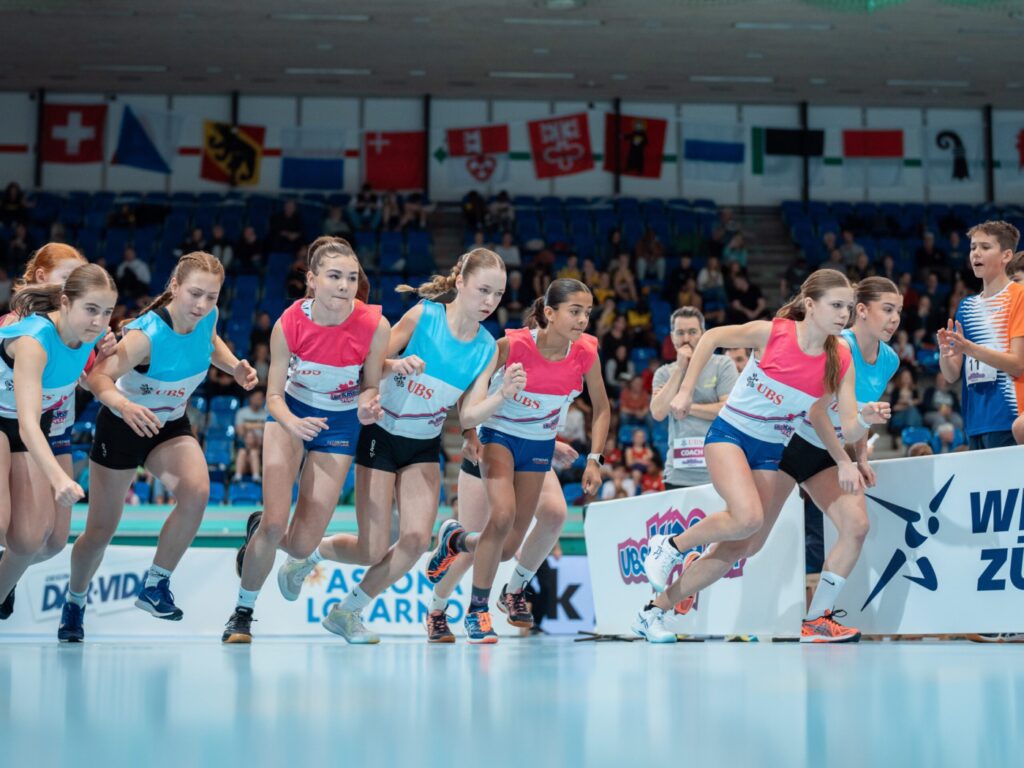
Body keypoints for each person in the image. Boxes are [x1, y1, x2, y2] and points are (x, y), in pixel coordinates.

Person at [269, 249, 515, 645]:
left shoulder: (487, 347)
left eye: (498, 294)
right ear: (460, 283)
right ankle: (309, 555)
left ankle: (348, 612)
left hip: (423, 444)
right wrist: (393, 368)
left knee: (418, 540)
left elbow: (468, 411)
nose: (489, 302)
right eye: (483, 290)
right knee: (371, 548)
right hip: (378, 434)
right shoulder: (424, 316)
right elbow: (369, 359)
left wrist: (494, 406)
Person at [634, 270, 867, 643]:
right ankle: (671, 545)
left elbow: (839, 421)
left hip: (770, 448)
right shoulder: (772, 332)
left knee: (746, 544)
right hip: (730, 434)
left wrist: (855, 440)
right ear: (810, 305)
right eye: (836, 305)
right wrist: (686, 391)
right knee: (748, 517)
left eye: (849, 308)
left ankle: (654, 611)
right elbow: (711, 337)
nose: (844, 314)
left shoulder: (839, 357)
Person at [61, 252, 258, 643]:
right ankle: (74, 599)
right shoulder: (145, 336)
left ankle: (155, 585)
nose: (202, 305)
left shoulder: (208, 318)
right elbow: (97, 379)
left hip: (168, 426)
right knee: (100, 531)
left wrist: (233, 366)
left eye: (211, 297)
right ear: (174, 287)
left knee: (197, 492)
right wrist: (123, 405)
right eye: (195, 294)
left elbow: (211, 342)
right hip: (122, 425)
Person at [425, 279, 610, 643]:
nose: (583, 320)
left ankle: (460, 542)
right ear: (549, 313)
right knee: (499, 523)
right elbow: (470, 389)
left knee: (505, 546)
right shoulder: (513, 345)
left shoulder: (586, 351)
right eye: (575, 311)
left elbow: (602, 408)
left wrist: (594, 459)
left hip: (537, 444)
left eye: (588, 312)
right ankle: (457, 610)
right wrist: (468, 434)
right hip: (493, 440)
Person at [224, 237, 388, 644]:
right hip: (289, 417)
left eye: (351, 278)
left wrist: (368, 405)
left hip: (341, 427)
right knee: (277, 520)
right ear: (312, 279)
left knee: (300, 545)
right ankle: (242, 612)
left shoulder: (375, 325)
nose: (344, 285)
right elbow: (274, 395)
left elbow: (370, 384)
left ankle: (261, 531)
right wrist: (293, 425)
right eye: (334, 276)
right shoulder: (289, 323)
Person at [776, 277, 901, 642]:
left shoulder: (889, 359)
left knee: (856, 526)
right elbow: (819, 412)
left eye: (899, 312)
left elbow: (861, 419)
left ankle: (817, 619)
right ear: (861, 311)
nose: (895, 319)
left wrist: (860, 457)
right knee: (749, 533)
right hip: (792, 443)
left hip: (830, 454)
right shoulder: (836, 345)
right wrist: (846, 457)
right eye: (888, 310)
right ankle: (675, 585)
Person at [0, 265, 117, 622]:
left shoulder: (90, 335)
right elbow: (27, 424)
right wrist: (59, 479)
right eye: (91, 309)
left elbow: (78, 379)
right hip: (18, 422)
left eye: (107, 312)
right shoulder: (35, 341)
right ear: (65, 303)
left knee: (35, 540)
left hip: (32, 422)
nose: (99, 321)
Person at [422, 427, 580, 642]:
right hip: (491, 443)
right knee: (468, 555)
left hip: (531, 447)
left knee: (555, 513)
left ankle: (513, 591)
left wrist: (592, 457)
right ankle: (436, 610)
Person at [938, 221, 1024, 450]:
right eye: (973, 247)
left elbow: (1018, 364)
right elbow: (951, 375)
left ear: (1006, 255)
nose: (976, 253)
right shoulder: (966, 306)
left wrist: (969, 348)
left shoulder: (1019, 296)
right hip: (974, 420)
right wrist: (946, 354)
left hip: (1010, 416)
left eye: (985, 247)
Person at [650, 307, 738, 490]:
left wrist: (685, 406)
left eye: (692, 332)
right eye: (680, 333)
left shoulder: (723, 364)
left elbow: (728, 411)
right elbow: (658, 412)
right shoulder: (663, 373)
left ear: (703, 334)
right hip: (678, 473)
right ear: (672, 336)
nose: (686, 339)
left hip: (718, 472)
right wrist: (681, 368)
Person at [233, 389, 268, 482]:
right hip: (244, 443)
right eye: (257, 398)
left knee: (254, 452)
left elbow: (268, 434)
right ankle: (238, 476)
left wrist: (257, 439)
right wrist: (250, 436)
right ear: (251, 398)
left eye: (261, 398)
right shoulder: (242, 412)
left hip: (260, 445)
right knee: (242, 452)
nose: (259, 400)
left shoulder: (266, 415)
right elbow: (240, 431)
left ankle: (256, 477)